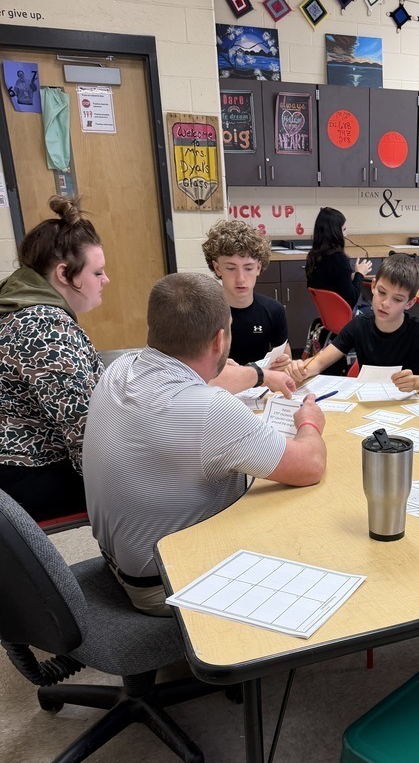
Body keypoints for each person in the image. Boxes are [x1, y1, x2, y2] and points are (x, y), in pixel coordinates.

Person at [83, 272, 327, 617]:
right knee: (304, 521)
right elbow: (310, 465)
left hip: (120, 559)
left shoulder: (120, 368)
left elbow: (210, 380)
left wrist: (255, 375)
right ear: (220, 340)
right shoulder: (210, 410)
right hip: (165, 584)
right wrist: (309, 422)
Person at [0, 195, 107, 520]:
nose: (105, 280)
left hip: (16, 467)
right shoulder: (45, 327)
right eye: (98, 272)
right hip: (25, 473)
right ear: (64, 274)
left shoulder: (16, 301)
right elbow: (87, 433)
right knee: (161, 483)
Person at [287, 254, 419, 394]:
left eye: (397, 299)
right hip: (368, 402)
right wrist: (302, 369)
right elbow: (320, 362)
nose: (385, 303)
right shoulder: (359, 325)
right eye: (382, 292)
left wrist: (417, 382)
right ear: (373, 286)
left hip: (408, 404)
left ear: (409, 303)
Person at [202, 218, 291, 368]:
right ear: (217, 268)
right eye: (231, 268)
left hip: (261, 381)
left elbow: (285, 357)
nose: (240, 279)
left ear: (258, 268)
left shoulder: (274, 310)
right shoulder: (203, 313)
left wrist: (284, 364)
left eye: (248, 268)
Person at [305, 206, 371, 311]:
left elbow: (332, 281)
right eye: (344, 229)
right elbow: (352, 299)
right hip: (346, 313)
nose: (345, 234)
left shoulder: (313, 256)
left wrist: (351, 276)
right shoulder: (339, 259)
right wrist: (360, 274)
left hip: (329, 314)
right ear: (334, 232)